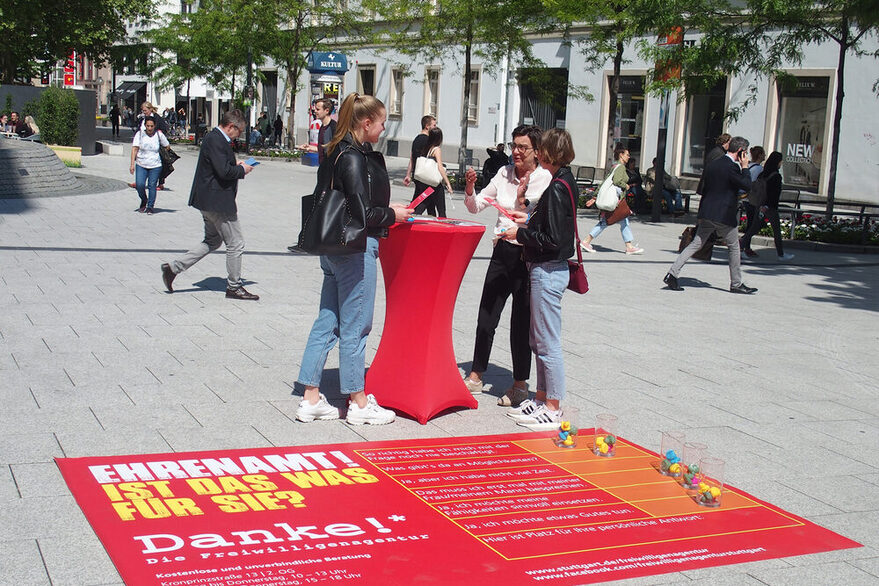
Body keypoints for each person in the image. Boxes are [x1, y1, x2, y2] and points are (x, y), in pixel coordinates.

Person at [294, 92, 414, 426]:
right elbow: (364, 213)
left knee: (327, 320)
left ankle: (311, 397)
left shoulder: (334, 149)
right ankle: (358, 402)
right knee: (356, 326)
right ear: (366, 123)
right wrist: (395, 213)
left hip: (330, 246)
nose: (383, 127)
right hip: (355, 248)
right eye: (381, 121)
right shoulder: (354, 157)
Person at [462, 125, 551, 407]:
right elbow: (476, 205)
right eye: (514, 145)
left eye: (522, 147)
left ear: (536, 151)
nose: (515, 152)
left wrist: (523, 196)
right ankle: (476, 374)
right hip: (502, 250)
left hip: (527, 254)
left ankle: (520, 384)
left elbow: (536, 218)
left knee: (521, 323)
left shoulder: (544, 178)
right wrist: (469, 188)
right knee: (487, 314)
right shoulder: (503, 173)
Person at [500, 128, 577, 430]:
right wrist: (528, 220)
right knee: (539, 339)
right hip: (547, 268)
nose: (537, 154)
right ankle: (543, 398)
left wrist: (520, 234)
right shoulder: (564, 180)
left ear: (549, 152)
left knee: (547, 342)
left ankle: (553, 406)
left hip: (548, 269)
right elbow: (554, 226)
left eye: (541, 149)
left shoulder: (557, 186)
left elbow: (554, 239)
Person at [160, 109, 258, 300]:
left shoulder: (215, 139)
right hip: (217, 202)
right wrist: (241, 169)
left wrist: (234, 163)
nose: (240, 135)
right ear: (231, 127)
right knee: (236, 243)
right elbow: (223, 172)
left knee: (212, 241)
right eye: (239, 131)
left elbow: (220, 166)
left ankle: (173, 268)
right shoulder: (216, 140)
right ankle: (234, 286)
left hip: (208, 200)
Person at [664, 135, 758, 294]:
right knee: (734, 247)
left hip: (707, 211)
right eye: (745, 152)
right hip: (723, 214)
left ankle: (672, 274)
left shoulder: (714, 164)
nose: (746, 156)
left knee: (696, 243)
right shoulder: (732, 167)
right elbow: (747, 185)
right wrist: (745, 167)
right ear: (741, 151)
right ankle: (736, 283)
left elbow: (705, 188)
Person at [579, 144, 644, 255]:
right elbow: (617, 181)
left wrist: (595, 197)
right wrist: (626, 186)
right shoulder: (621, 167)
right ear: (621, 155)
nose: (629, 157)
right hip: (616, 201)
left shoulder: (614, 167)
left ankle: (629, 246)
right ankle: (586, 241)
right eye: (627, 155)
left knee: (624, 221)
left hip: (616, 201)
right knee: (606, 221)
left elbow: (604, 182)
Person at [740, 151, 794, 261]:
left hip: (759, 204)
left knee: (755, 227)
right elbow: (774, 194)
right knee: (776, 230)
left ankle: (741, 244)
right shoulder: (776, 176)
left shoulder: (763, 174)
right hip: (769, 207)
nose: (781, 163)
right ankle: (781, 254)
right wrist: (769, 205)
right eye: (780, 161)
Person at [130, 118, 169, 214]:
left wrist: (161, 151)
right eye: (148, 126)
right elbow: (134, 149)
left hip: (155, 165)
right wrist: (132, 164)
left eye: (151, 126)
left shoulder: (159, 135)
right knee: (140, 185)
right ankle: (144, 200)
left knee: (152, 186)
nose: (150, 128)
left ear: (154, 126)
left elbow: (167, 146)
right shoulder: (139, 134)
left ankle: (150, 206)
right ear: (145, 126)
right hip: (141, 163)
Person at [411, 127, 453, 216]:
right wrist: (447, 183)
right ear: (439, 138)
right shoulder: (437, 149)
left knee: (425, 203)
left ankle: (413, 216)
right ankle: (443, 226)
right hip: (435, 184)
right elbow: (440, 167)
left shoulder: (428, 148)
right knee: (441, 210)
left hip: (426, 182)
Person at [740, 146, 766, 257]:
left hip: (745, 197)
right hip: (753, 199)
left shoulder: (749, 166)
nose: (765, 155)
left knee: (750, 223)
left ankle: (747, 246)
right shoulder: (759, 169)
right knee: (754, 224)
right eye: (763, 153)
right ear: (760, 155)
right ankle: (744, 244)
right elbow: (755, 184)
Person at [403, 115, 437, 189]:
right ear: (427, 126)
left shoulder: (416, 139)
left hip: (417, 174)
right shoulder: (428, 141)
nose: (435, 128)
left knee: (419, 198)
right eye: (434, 125)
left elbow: (412, 158)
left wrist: (408, 175)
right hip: (425, 176)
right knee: (423, 198)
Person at [298, 99, 337, 163]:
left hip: (330, 168)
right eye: (315, 109)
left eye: (318, 109)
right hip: (322, 166)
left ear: (327, 110)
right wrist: (309, 148)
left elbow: (334, 150)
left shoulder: (333, 127)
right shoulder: (322, 126)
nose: (315, 111)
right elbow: (322, 149)